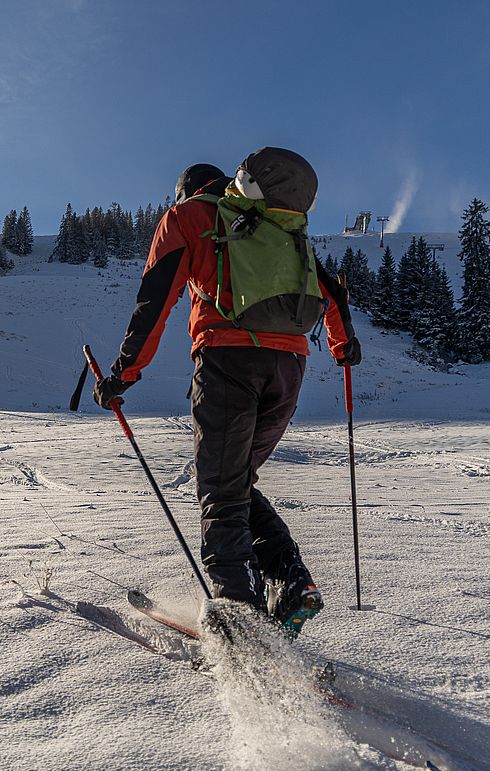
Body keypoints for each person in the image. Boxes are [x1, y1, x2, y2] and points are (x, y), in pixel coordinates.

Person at [94, 148, 360, 634]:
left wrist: (123, 373)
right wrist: (342, 347)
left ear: (186, 191)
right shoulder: (277, 226)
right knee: (233, 482)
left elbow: (154, 302)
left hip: (228, 362)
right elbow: (330, 292)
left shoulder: (189, 217)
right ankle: (291, 582)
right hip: (290, 368)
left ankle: (240, 620)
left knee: (219, 489)